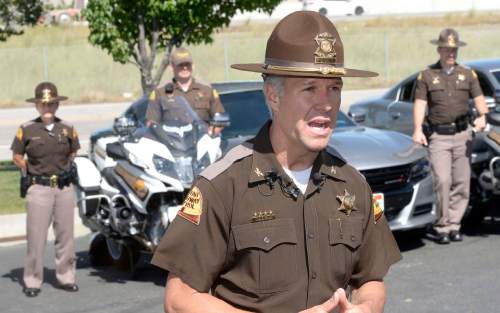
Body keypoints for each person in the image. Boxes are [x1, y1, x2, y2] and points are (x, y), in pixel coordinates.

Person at [151, 11, 401, 313]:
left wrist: (365, 308)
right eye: (310, 88)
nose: (327, 103)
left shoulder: (352, 183)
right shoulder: (223, 186)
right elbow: (179, 299)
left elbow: (371, 279)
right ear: (273, 96)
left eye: (334, 88)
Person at [412, 29, 489, 244]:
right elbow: (420, 104)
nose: (451, 53)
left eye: (454, 49)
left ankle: (455, 224)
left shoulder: (467, 74)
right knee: (443, 181)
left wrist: (483, 116)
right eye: (447, 49)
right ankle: (442, 226)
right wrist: (417, 129)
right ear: (439, 49)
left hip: (463, 135)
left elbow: (480, 99)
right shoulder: (427, 75)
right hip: (439, 136)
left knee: (462, 183)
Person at [11, 82, 80, 297]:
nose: (47, 108)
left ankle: (66, 277)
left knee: (66, 236)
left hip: (63, 188)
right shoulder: (27, 129)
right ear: (37, 106)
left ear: (57, 105)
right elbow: (16, 156)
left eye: (51, 104)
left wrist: (64, 169)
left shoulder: (67, 128)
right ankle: (32, 280)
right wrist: (30, 170)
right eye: (43, 104)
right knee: (36, 237)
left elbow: (73, 152)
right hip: (39, 188)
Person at [146, 47, 225, 136]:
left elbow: (220, 119)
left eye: (188, 64)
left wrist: (210, 134)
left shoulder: (207, 90)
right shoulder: (160, 92)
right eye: (180, 64)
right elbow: (151, 123)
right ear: (171, 67)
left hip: (203, 142)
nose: (184, 68)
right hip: (172, 144)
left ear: (193, 66)